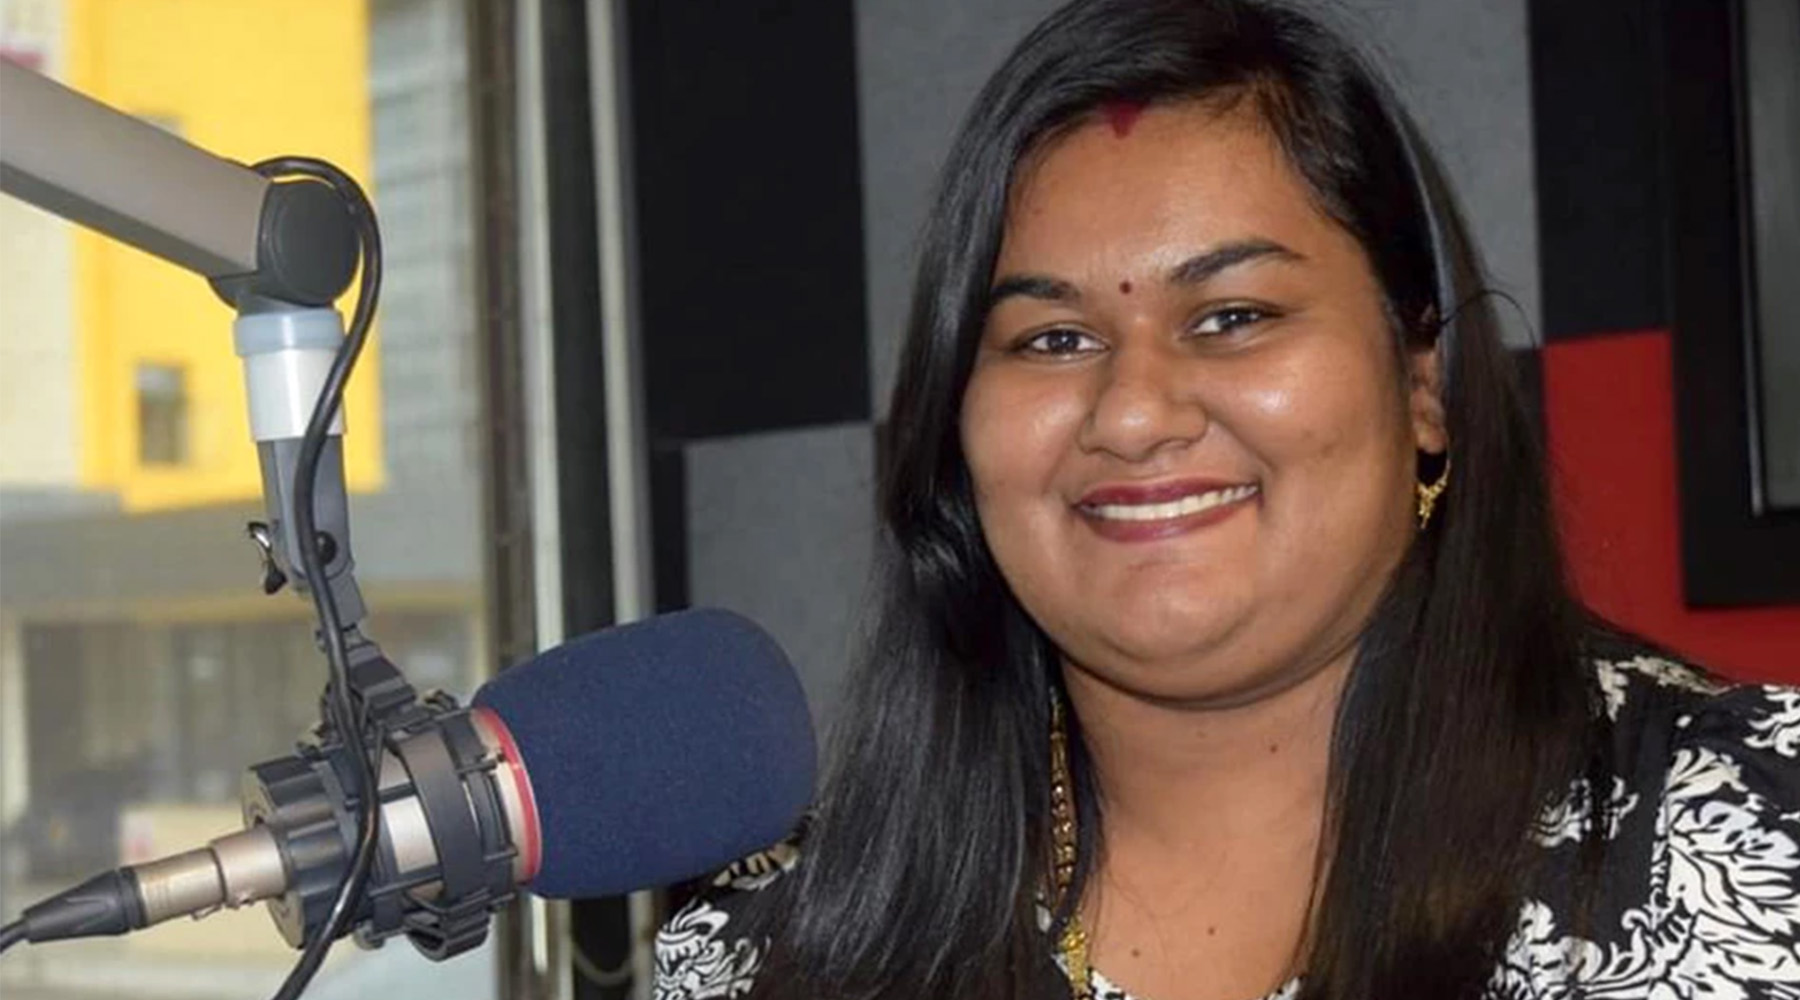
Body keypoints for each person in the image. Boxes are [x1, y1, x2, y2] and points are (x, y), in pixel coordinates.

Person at [652, 1, 1800, 997]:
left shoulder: (1758, 829)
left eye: (1234, 317)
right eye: (1052, 338)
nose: (1135, 411)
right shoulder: (768, 949)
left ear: (1425, 385)